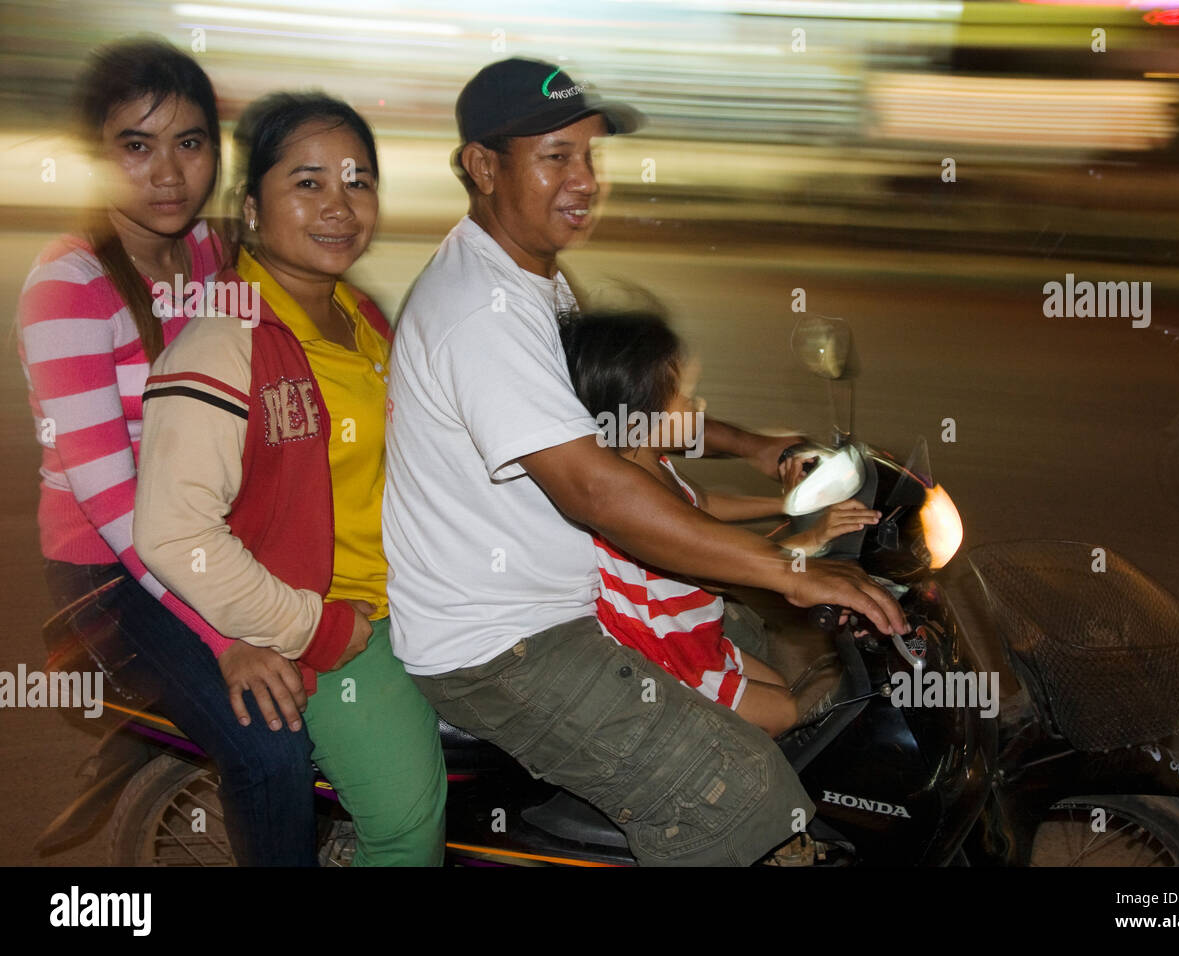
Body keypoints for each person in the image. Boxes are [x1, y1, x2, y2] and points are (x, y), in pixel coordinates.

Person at [384, 57, 908, 866]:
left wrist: (752, 446)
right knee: (740, 797)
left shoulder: (531, 282)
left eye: (590, 156)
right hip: (506, 646)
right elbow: (596, 485)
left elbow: (621, 415)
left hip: (573, 600)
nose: (585, 179)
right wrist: (788, 568)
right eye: (555, 156)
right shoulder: (478, 312)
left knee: (782, 669)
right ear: (482, 167)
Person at [16, 38, 319, 866]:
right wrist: (227, 638)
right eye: (136, 146)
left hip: (216, 529)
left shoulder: (213, 254)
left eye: (189, 143)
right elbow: (117, 509)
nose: (168, 173)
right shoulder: (69, 291)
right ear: (95, 159)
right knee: (271, 743)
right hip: (115, 571)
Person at [133, 91, 445, 866]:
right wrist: (316, 628)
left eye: (358, 181)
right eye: (308, 183)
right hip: (333, 628)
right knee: (408, 823)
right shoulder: (222, 345)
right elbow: (173, 532)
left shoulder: (359, 313)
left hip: (414, 598)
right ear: (250, 207)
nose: (340, 207)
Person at [558, 308, 880, 737]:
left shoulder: (650, 464)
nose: (701, 406)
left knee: (786, 687)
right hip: (673, 660)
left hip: (698, 635)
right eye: (688, 399)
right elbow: (717, 570)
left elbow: (703, 504)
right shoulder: (628, 501)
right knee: (787, 712)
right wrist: (812, 541)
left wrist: (785, 506)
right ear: (640, 416)